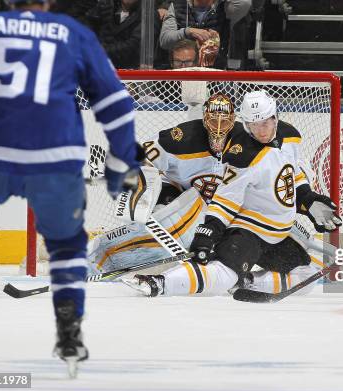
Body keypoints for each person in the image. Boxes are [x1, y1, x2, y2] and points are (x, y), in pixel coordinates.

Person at [0, 0, 141, 376]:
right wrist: (122, 163)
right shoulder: (75, 35)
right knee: (67, 244)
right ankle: (70, 329)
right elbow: (116, 105)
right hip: (54, 156)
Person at [123, 90, 342, 298]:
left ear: (276, 117)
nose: (262, 130)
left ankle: (246, 282)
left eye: (265, 122)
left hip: (275, 234)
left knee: (308, 276)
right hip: (246, 229)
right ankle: (160, 283)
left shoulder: (291, 137)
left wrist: (308, 200)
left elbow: (292, 175)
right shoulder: (241, 155)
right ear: (246, 125)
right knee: (224, 271)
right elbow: (227, 200)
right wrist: (210, 230)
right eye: (254, 125)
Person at [87, 93, 236, 274]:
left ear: (234, 121)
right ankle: (102, 255)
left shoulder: (244, 142)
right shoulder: (183, 138)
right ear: (205, 120)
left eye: (225, 122)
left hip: (214, 213)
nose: (219, 130)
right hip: (176, 196)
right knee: (169, 216)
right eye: (213, 122)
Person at [158, 0, 251, 69]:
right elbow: (164, 40)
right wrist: (188, 32)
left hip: (215, 72)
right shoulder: (177, 5)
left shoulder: (226, 7)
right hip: (183, 70)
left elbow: (245, 3)